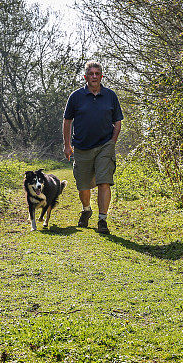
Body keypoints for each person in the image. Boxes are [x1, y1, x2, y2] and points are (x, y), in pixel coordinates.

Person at [63, 61, 123, 234]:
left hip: (105, 146)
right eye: (91, 74)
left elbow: (117, 121)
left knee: (104, 182)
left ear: (101, 76)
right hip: (81, 147)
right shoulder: (76, 97)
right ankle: (86, 209)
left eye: (97, 73)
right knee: (83, 186)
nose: (94, 76)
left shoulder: (110, 96)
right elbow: (67, 121)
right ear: (86, 77)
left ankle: (102, 220)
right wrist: (67, 146)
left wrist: (112, 141)